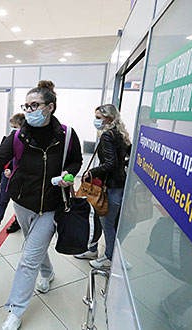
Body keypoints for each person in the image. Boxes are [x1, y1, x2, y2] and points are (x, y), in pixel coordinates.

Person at [0, 80, 83, 330]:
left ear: (50, 107)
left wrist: (69, 176)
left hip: (51, 206)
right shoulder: (18, 137)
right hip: (22, 203)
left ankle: (15, 311)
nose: (29, 111)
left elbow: (76, 162)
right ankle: (48, 273)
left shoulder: (68, 135)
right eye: (27, 106)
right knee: (34, 245)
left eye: (35, 105)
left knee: (28, 258)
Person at [76, 104, 130, 270]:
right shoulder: (122, 135)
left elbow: (110, 164)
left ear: (110, 119)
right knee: (104, 220)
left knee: (106, 223)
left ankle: (109, 257)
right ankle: (93, 249)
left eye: (99, 118)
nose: (96, 121)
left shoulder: (107, 136)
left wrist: (91, 172)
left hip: (111, 187)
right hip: (120, 185)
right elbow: (124, 160)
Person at [0, 113, 25, 239]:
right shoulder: (8, 139)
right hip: (7, 176)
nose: (12, 129)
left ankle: (17, 221)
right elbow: (2, 157)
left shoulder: (28, 143)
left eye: (15, 127)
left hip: (21, 177)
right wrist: (7, 168)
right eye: (11, 126)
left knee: (19, 202)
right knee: (2, 200)